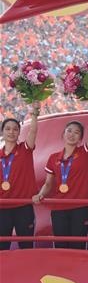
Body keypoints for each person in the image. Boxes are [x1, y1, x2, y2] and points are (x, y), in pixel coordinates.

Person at [33, 99, 88, 249]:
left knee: (78, 247)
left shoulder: (84, 152)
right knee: (61, 246)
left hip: (80, 207)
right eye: (69, 131)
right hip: (59, 209)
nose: (72, 134)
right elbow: (48, 183)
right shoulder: (53, 158)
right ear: (63, 134)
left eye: (77, 132)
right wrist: (41, 194)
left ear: (81, 138)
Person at [0, 103, 39, 250]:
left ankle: (29, 273)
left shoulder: (25, 149)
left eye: (15, 129)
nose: (11, 132)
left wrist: (34, 113)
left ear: (19, 133)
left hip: (23, 206)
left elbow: (34, 131)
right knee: (2, 248)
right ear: (2, 132)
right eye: (8, 129)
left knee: (26, 246)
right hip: (2, 207)